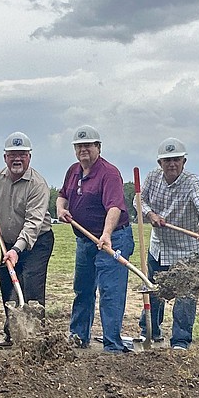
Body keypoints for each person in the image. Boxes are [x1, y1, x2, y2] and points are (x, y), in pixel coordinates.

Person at [57, 125, 134, 353]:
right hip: (85, 240)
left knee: (110, 292)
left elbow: (114, 207)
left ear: (98, 148)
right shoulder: (73, 171)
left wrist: (107, 234)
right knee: (82, 289)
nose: (83, 150)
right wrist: (61, 209)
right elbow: (62, 196)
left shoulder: (109, 173)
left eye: (88, 146)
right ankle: (79, 337)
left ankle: (112, 344)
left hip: (113, 239)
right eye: (79, 146)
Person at [138, 137, 199, 350]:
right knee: (154, 291)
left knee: (185, 298)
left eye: (176, 160)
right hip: (159, 247)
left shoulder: (193, 182)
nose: (172, 164)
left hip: (189, 250)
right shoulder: (153, 178)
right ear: (160, 163)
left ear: (184, 161)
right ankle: (150, 332)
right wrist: (150, 214)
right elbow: (140, 200)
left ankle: (180, 342)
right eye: (167, 160)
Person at [0, 132, 54, 349]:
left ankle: (34, 339)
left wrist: (17, 250)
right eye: (12, 155)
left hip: (37, 242)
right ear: (5, 157)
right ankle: (12, 334)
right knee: (7, 283)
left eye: (22, 155)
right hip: (8, 242)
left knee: (31, 284)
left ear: (29, 157)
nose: (17, 159)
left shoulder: (38, 184)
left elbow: (33, 224)